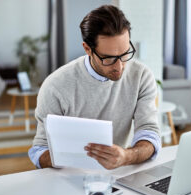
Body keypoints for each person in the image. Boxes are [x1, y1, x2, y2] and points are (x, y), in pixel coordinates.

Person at [28, 5, 161, 170]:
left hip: (120, 173)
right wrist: (74, 155)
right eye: (109, 58)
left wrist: (127, 156)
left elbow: (149, 132)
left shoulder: (141, 76)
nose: (120, 67)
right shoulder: (55, 86)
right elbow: (39, 151)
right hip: (69, 175)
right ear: (87, 49)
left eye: (125, 53)